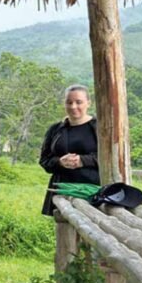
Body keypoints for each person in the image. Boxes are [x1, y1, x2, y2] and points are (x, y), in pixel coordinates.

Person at [40, 84, 99, 216]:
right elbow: (44, 160)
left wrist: (83, 160)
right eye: (69, 102)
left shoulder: (99, 128)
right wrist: (60, 162)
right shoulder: (55, 130)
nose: (73, 107)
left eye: (79, 102)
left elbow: (113, 158)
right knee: (64, 232)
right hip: (62, 192)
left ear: (88, 103)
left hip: (93, 190)